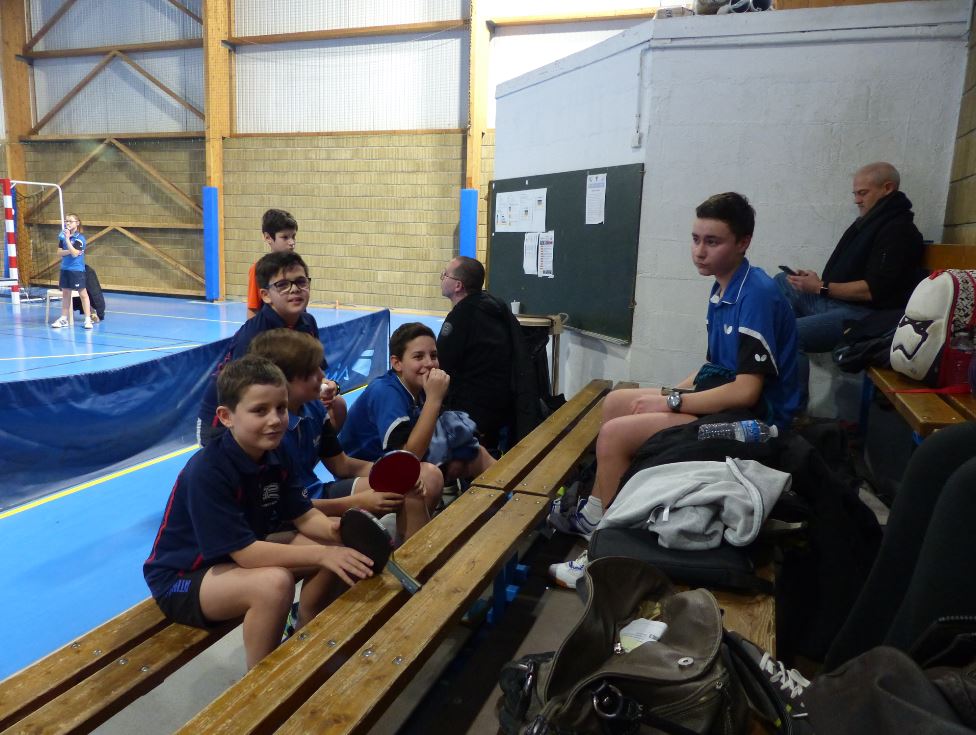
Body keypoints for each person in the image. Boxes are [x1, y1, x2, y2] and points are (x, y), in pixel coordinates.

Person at [548, 192, 800, 557]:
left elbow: (746, 391)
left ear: (743, 242)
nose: (699, 251)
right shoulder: (722, 286)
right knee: (618, 402)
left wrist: (671, 402)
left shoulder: (756, 294)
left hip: (757, 423)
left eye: (712, 242)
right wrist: (667, 393)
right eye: (695, 239)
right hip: (729, 404)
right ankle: (600, 510)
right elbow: (712, 368)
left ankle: (607, 537)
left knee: (616, 435)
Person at [143, 355, 373, 670]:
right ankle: (261, 684)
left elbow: (305, 516)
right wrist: (322, 554)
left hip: (232, 557)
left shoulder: (276, 452)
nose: (275, 420)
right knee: (274, 584)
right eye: (260, 411)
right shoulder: (207, 472)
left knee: (334, 543)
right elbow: (247, 555)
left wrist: (335, 531)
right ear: (226, 417)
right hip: (182, 579)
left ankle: (306, 632)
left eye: (281, 408)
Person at [248, 329, 439, 540]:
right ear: (281, 380)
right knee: (355, 535)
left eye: (320, 367)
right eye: (311, 371)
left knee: (408, 486)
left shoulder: (313, 408)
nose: (322, 376)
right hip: (291, 516)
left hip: (318, 494)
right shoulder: (270, 433)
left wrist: (396, 475)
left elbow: (342, 465)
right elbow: (289, 508)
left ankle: (414, 555)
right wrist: (357, 503)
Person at [774, 162, 925, 405]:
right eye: (855, 193)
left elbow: (874, 290)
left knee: (787, 334)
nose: (856, 200)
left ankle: (794, 411)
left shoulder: (898, 231)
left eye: (862, 193)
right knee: (783, 281)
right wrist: (813, 282)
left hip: (868, 317)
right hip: (841, 304)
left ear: (887, 188)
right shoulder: (870, 223)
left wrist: (820, 287)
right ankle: (790, 338)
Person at [340, 322, 494, 497]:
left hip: (397, 463)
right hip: (363, 476)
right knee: (430, 477)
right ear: (397, 363)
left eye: (433, 355)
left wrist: (458, 454)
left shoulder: (419, 387)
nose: (429, 363)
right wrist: (434, 400)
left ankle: (511, 499)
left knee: (476, 454)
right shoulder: (386, 392)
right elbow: (408, 459)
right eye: (418, 356)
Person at [198, 251, 321, 446]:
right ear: (265, 295)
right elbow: (243, 396)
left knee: (335, 406)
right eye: (282, 285)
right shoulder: (253, 337)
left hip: (274, 407)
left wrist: (331, 387)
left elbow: (317, 371)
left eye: (301, 282)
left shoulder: (308, 322)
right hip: (225, 422)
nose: (294, 289)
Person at [437, 256, 529, 450]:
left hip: (473, 412)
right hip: (502, 405)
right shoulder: (495, 305)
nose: (442, 278)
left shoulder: (461, 318)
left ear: (458, 286)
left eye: (445, 274)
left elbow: (441, 365)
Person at [246, 209, 297, 320]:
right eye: (285, 237)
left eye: (293, 236)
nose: (292, 242)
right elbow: (253, 309)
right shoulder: (258, 269)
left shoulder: (297, 268)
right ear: (268, 237)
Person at [50, 214, 94, 330]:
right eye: (66, 221)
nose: (68, 223)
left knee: (83, 294)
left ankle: (88, 319)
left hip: (76, 270)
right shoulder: (62, 236)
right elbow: (59, 252)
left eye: (70, 221)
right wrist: (70, 249)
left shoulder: (80, 238)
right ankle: (64, 319)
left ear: (77, 223)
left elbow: (75, 254)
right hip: (65, 269)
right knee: (66, 294)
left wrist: (68, 240)